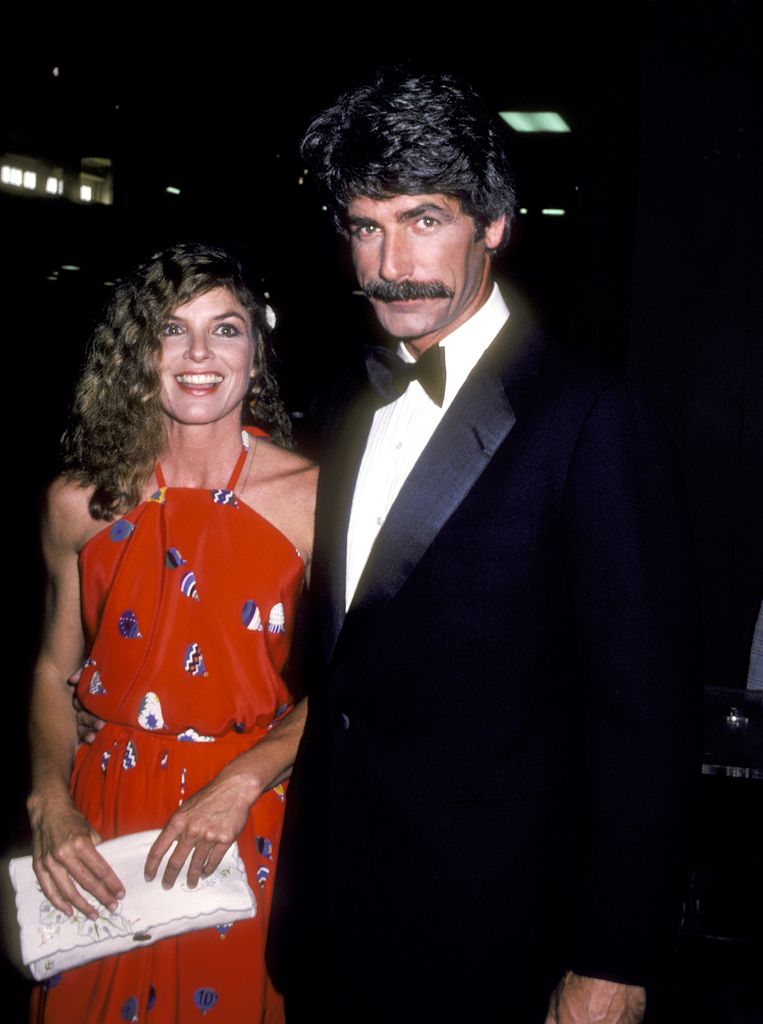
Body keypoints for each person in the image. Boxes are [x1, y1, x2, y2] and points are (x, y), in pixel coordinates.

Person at [267, 68, 699, 1023]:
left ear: (494, 223)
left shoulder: (592, 419)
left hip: (492, 943)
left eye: (424, 219)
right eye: (365, 225)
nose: (389, 260)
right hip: (329, 926)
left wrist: (613, 962)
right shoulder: (345, 400)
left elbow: (646, 725)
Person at [26, 242, 317, 1023]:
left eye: (225, 329)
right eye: (170, 329)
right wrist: (50, 802)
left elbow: (359, 682)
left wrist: (244, 777)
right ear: (137, 355)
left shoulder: (315, 500)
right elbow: (56, 670)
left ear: (256, 354)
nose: (198, 354)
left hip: (243, 816)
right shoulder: (77, 503)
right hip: (101, 822)